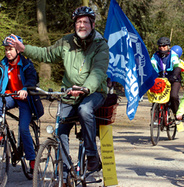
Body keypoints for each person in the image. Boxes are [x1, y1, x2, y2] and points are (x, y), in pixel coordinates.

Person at [7, 6, 109, 177]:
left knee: (85, 110)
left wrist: (85, 88)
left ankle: (92, 156)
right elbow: (46, 54)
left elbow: (98, 72)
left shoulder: (100, 45)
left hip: (93, 92)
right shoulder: (66, 42)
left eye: (85, 22)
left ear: (92, 24)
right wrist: (24, 49)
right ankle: (67, 171)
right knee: (60, 130)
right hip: (69, 94)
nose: (81, 25)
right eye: (78, 22)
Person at [0, 35, 39, 174]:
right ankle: (1, 131)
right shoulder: (3, 64)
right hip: (9, 97)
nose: (8, 52)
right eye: (6, 50)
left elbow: (32, 78)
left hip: (24, 99)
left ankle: (32, 159)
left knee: (23, 129)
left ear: (18, 50)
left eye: (11, 49)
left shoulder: (27, 64)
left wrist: (25, 89)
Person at [151, 37, 182, 115]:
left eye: (164, 46)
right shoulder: (155, 56)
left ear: (168, 47)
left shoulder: (173, 55)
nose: (162, 48)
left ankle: (177, 115)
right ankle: (155, 114)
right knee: (155, 96)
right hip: (160, 78)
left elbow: (177, 66)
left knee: (173, 96)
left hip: (173, 78)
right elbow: (152, 65)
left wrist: (174, 76)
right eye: (160, 46)